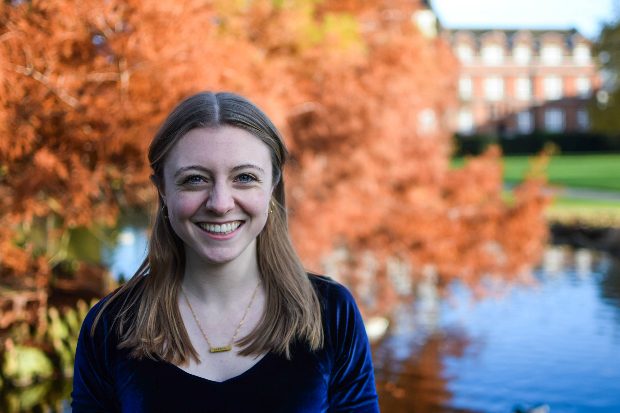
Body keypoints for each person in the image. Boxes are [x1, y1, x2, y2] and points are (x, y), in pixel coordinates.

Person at [72, 91, 379, 412]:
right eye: (194, 179)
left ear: (273, 185)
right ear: (163, 189)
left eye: (244, 178)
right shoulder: (110, 327)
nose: (220, 203)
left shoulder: (331, 313)